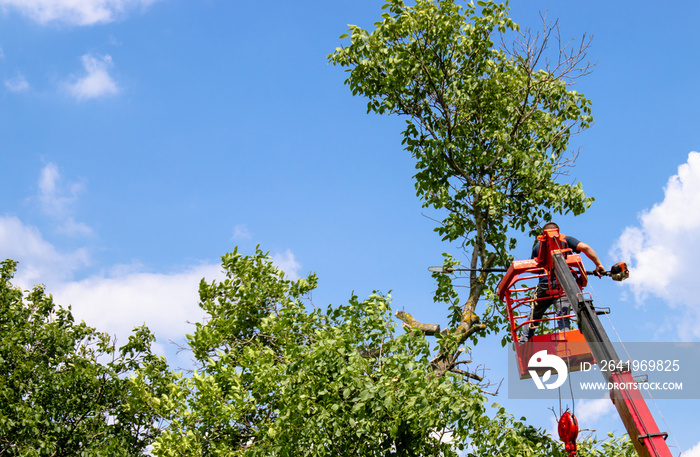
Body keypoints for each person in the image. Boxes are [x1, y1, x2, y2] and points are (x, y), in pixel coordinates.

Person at [519, 222, 606, 343]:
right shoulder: (567, 240)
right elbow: (585, 248)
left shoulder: (538, 246)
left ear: (543, 234)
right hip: (564, 285)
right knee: (563, 316)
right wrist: (598, 264)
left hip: (545, 287)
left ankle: (523, 342)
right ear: (558, 232)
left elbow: (534, 268)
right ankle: (565, 340)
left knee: (534, 316)